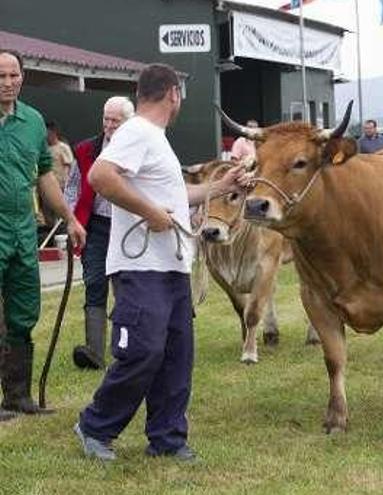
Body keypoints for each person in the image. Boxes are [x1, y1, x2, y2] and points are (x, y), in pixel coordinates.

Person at [73, 63, 245, 462]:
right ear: (173, 94)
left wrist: (223, 186)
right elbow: (100, 176)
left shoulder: (156, 139)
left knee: (175, 356)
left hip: (170, 266)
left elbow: (174, 194)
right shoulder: (136, 132)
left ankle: (167, 438)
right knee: (144, 351)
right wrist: (149, 211)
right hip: (141, 268)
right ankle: (95, 425)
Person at [0, 49, 86, 422]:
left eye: (13, 75)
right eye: (1, 76)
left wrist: (69, 217)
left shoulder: (33, 121)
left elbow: (45, 177)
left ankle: (17, 396)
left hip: (22, 231)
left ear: (23, 76)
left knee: (23, 312)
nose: (8, 83)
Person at [64, 96, 135, 370]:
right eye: (106, 119)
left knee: (123, 286)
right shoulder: (85, 150)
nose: (109, 125)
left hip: (127, 227)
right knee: (94, 283)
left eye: (115, 120)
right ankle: (94, 351)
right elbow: (72, 187)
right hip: (95, 227)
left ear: (128, 122)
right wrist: (72, 218)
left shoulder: (138, 151)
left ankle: (123, 347)